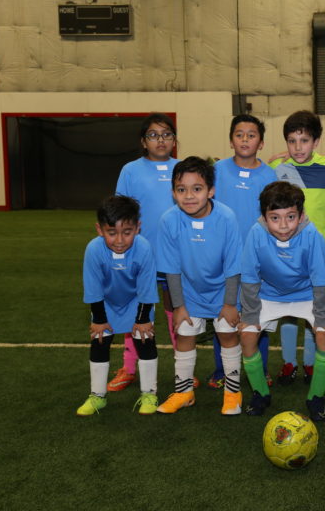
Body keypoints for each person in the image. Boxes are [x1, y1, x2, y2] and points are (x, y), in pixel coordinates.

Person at [109, 113, 198, 392]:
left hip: (176, 258)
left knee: (176, 311)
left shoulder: (183, 168)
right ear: (143, 141)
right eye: (153, 135)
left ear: (174, 139)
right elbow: (121, 212)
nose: (161, 140)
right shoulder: (130, 170)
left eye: (167, 134)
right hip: (141, 257)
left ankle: (182, 368)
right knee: (138, 314)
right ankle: (129, 367)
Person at [239, 181, 325, 421]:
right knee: (247, 334)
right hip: (269, 294)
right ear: (264, 217)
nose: (283, 225)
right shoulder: (256, 233)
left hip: (306, 294)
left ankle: (316, 398)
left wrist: (323, 316)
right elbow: (250, 276)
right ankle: (261, 393)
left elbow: (322, 278)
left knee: (324, 333)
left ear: (301, 215)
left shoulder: (312, 235)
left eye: (290, 217)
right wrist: (250, 314)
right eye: (275, 218)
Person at [155, 156, 243, 415]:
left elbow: (233, 265)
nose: (189, 196)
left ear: (211, 190)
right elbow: (171, 268)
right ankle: (184, 393)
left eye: (197, 189)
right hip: (188, 290)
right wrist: (179, 307)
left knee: (227, 333)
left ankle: (233, 393)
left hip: (223, 289)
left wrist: (229, 303)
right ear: (173, 193)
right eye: (182, 190)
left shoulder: (226, 218)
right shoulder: (169, 220)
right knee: (184, 334)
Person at [269, 111, 325, 386]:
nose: (298, 147)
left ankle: (311, 363)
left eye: (304, 140)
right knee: (288, 310)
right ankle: (289, 362)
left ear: (316, 141)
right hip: (286, 254)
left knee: (316, 311)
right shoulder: (278, 170)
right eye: (292, 141)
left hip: (319, 254)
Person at [209, 114, 275, 390]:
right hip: (222, 255)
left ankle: (261, 367)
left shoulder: (269, 174)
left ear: (261, 143)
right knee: (224, 310)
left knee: (257, 313)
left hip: (257, 257)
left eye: (252, 134)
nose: (245, 139)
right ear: (231, 139)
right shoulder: (217, 170)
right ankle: (221, 368)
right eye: (240, 134)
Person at [77, 195, 159, 416]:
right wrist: (99, 319)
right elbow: (93, 288)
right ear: (99, 229)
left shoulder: (143, 248)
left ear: (138, 228)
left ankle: (149, 393)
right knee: (99, 340)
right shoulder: (94, 250)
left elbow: (147, 288)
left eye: (127, 232)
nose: (120, 240)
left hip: (137, 301)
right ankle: (97, 396)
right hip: (106, 302)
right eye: (112, 233)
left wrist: (142, 319)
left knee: (145, 339)